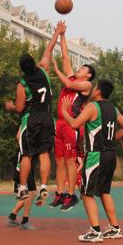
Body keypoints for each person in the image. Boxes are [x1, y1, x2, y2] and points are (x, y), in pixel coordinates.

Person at [61, 79, 123, 243]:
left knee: (86, 192)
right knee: (104, 191)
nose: (92, 90)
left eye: (95, 88)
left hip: (96, 155)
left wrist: (64, 111)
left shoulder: (93, 107)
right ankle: (115, 228)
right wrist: (111, 140)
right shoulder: (113, 109)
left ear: (98, 91)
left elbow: (74, 124)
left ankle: (95, 231)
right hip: (110, 154)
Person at [5, 21, 63, 204]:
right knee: (44, 153)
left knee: (27, 154)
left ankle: (22, 188)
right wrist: (57, 32)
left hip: (31, 120)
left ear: (22, 68)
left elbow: (20, 108)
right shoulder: (44, 70)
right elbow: (49, 49)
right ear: (34, 63)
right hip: (48, 119)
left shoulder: (22, 84)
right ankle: (44, 186)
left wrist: (10, 107)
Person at [50, 25, 95, 212]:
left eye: (83, 68)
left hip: (72, 125)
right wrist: (62, 35)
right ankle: (60, 193)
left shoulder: (86, 85)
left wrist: (56, 70)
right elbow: (65, 57)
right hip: (60, 123)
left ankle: (71, 195)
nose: (79, 68)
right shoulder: (73, 77)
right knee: (59, 161)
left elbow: (68, 83)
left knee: (70, 161)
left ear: (88, 75)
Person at [6, 151, 37, 230]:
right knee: (30, 193)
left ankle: (12, 217)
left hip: (24, 169)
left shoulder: (27, 147)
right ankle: (24, 221)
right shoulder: (26, 147)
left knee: (28, 194)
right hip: (23, 170)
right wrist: (19, 170)